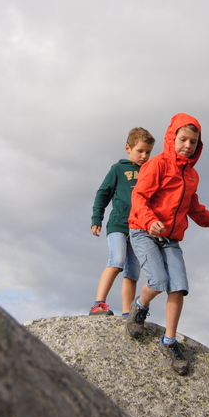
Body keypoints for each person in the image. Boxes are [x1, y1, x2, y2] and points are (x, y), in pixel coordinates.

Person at [124, 113, 209, 375]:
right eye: (183, 139)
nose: (187, 145)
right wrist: (149, 220)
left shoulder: (192, 176)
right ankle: (140, 308)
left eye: (193, 142)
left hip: (171, 239)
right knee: (158, 280)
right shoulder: (157, 165)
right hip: (143, 231)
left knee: (178, 286)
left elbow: (192, 207)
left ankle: (169, 341)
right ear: (172, 137)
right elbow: (139, 197)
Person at [89, 127, 155, 316]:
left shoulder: (149, 172)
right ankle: (98, 304)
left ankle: (127, 313)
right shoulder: (118, 169)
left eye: (148, 152)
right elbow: (103, 193)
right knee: (117, 261)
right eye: (140, 151)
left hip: (139, 229)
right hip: (119, 224)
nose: (144, 156)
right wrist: (97, 218)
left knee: (132, 272)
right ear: (128, 148)